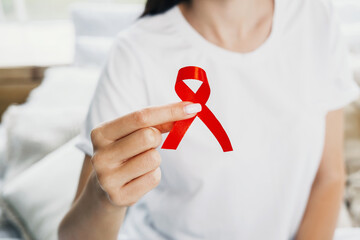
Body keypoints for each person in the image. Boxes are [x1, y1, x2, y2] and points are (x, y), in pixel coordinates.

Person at [58, 0, 360, 239]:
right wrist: (104, 198)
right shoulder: (135, 52)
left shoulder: (315, 16)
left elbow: (329, 176)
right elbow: (73, 237)